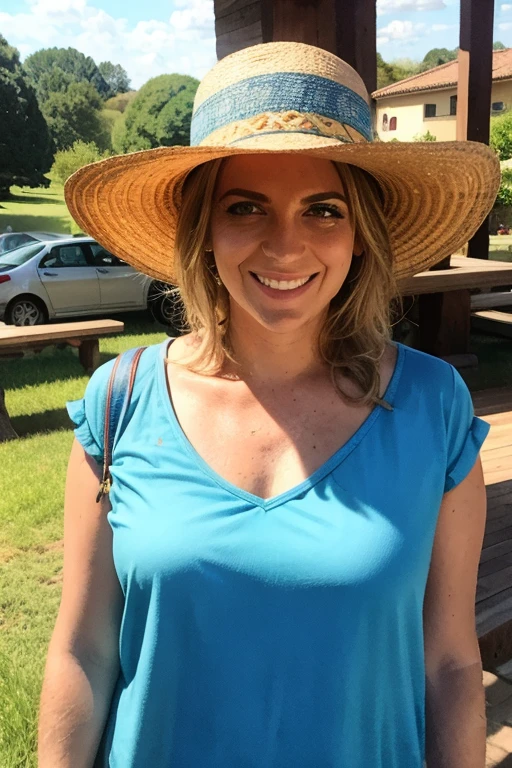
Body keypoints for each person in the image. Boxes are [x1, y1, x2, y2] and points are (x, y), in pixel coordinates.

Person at [38, 42, 500, 768]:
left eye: (323, 210)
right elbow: (83, 651)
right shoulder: (120, 403)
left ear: (360, 234)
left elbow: (446, 665)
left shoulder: (432, 408)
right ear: (204, 228)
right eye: (246, 207)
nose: (286, 246)